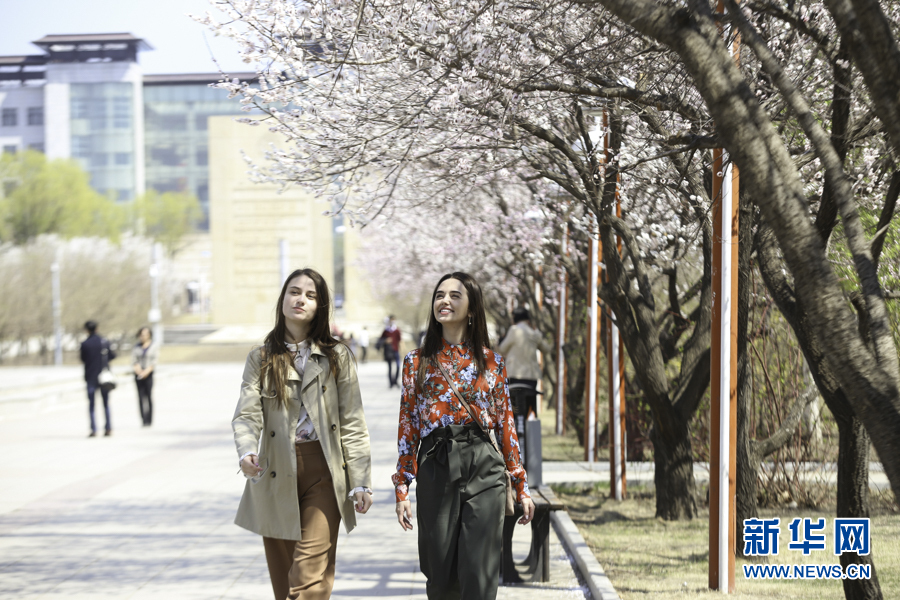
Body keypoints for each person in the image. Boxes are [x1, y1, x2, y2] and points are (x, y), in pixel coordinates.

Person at [233, 267, 373, 600]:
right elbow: (247, 412)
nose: (301, 299)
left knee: (307, 581)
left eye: (311, 295)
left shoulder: (337, 356)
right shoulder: (261, 357)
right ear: (283, 298)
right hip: (275, 472)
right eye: (294, 291)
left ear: (320, 307)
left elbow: (352, 420)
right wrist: (246, 451)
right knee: (285, 587)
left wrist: (360, 479)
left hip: (324, 472)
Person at [393, 271, 535, 600]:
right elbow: (408, 425)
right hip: (437, 462)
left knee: (479, 569)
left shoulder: (492, 363)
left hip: (484, 464)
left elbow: (506, 427)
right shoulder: (417, 362)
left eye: (455, 295)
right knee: (440, 573)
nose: (445, 300)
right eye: (440, 295)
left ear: (471, 308)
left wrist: (520, 485)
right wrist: (403, 487)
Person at [498, 307, 551, 418]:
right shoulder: (534, 333)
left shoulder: (514, 330)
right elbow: (546, 349)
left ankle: (517, 427)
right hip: (531, 378)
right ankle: (525, 426)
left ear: (515, 318)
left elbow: (502, 348)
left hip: (514, 376)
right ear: (528, 319)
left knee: (513, 408)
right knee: (527, 407)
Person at [80, 320, 116, 437]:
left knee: (91, 404)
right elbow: (112, 355)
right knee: (105, 403)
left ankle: (93, 429)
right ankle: (108, 428)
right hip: (104, 376)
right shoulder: (104, 342)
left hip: (91, 376)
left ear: (86, 330)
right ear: (97, 328)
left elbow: (83, 359)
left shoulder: (85, 344)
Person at [131, 326, 159, 427]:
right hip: (138, 374)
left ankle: (149, 419)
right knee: (140, 397)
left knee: (148, 396)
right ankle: (143, 419)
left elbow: (154, 361)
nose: (143, 337)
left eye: (145, 335)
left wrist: (146, 372)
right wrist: (138, 371)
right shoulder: (136, 346)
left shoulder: (153, 346)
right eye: (141, 335)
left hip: (149, 373)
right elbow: (134, 360)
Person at [380, 315, 402, 388]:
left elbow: (400, 340)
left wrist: (402, 350)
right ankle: (391, 383)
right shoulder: (386, 331)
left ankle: (395, 380)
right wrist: (385, 341)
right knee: (390, 367)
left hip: (396, 350)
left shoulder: (397, 330)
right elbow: (380, 340)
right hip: (388, 351)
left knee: (398, 366)